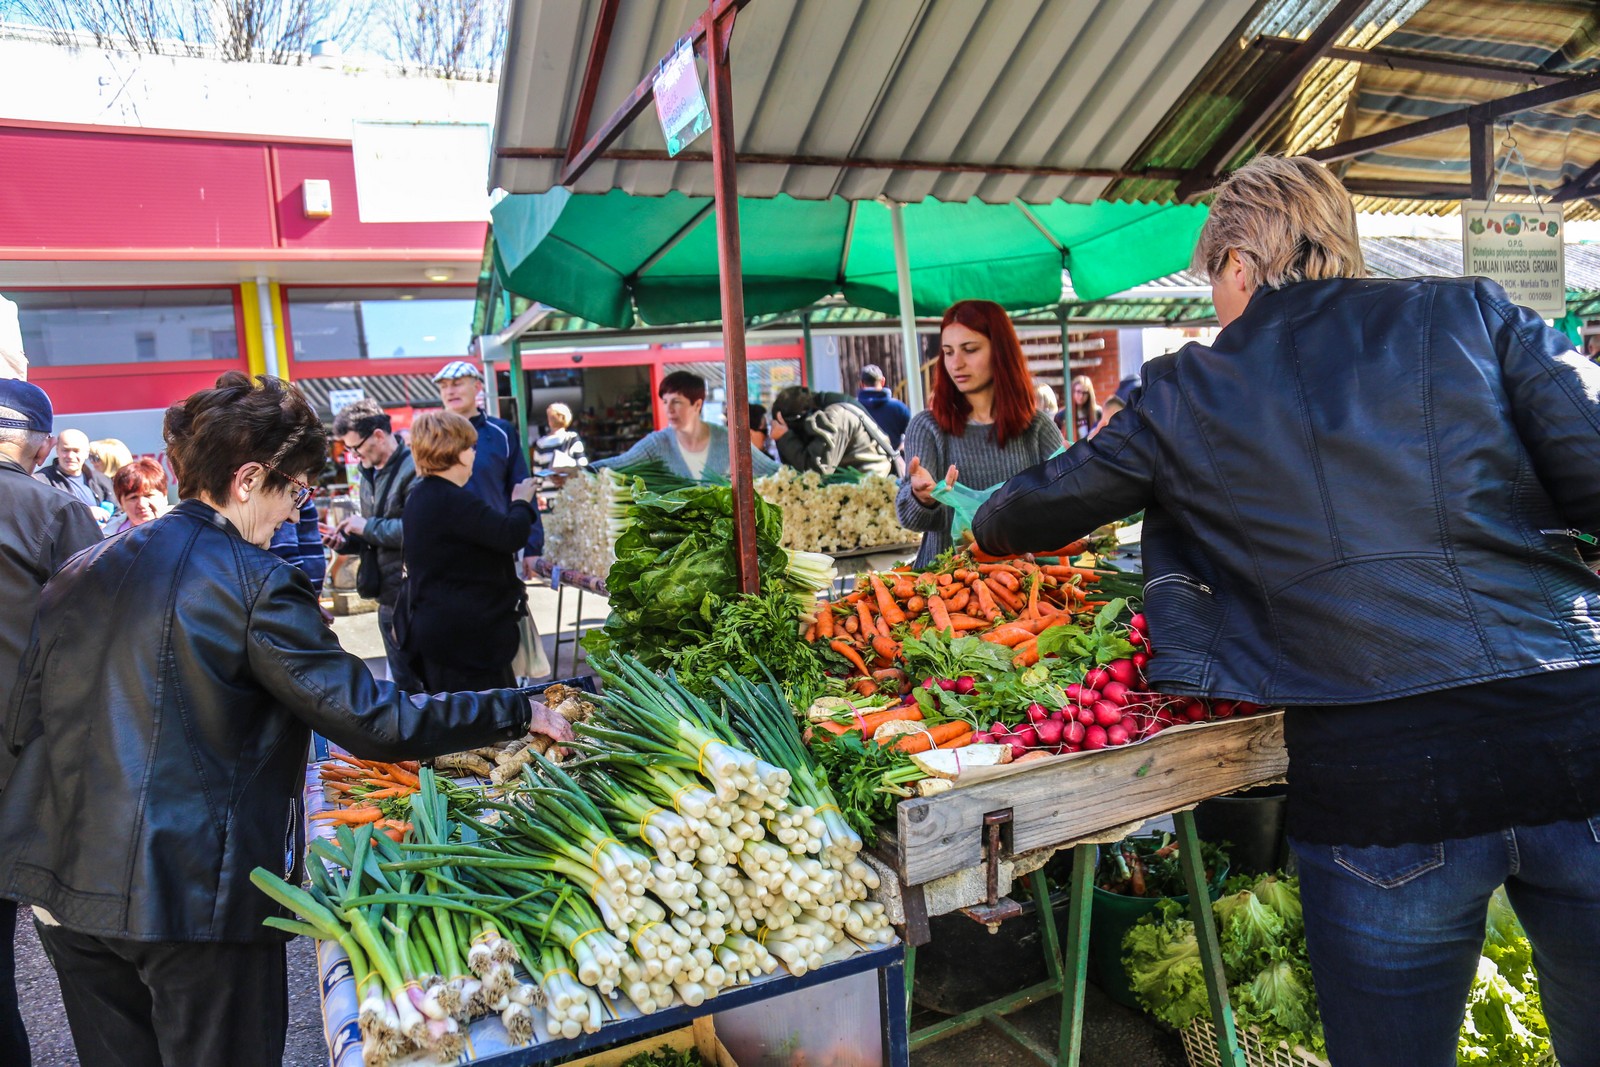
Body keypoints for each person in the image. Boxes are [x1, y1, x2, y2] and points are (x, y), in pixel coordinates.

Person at [971, 154, 1600, 1067]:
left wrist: (976, 519)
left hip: (1384, 784)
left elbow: (1026, 510)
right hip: (1576, 734)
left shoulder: (1188, 388)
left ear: (1236, 262)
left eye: (1210, 278)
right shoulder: (1471, 310)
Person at [0, 372, 543, 1067]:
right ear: (249, 477)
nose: (293, 515)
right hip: (189, 895)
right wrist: (515, 706)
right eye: (293, 492)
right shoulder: (253, 580)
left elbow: (21, 722)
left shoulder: (82, 565)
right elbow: (375, 719)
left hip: (64, 885)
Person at [0, 379, 102, 1067]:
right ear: (39, 445)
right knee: (83, 937)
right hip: (31, 762)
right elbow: (108, 631)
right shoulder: (53, 508)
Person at [896, 300, 1061, 568]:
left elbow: (1063, 512)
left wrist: (1077, 471)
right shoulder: (927, 427)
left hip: (1028, 588)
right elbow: (913, 520)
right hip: (944, 589)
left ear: (1001, 352)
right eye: (948, 352)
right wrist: (921, 497)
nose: (956, 363)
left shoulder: (1038, 428)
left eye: (969, 349)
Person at [399, 410, 540, 692]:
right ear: (457, 452)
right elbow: (510, 535)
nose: (474, 454)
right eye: (471, 447)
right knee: (488, 725)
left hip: (443, 634)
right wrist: (521, 502)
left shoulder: (421, 496)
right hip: (466, 643)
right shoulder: (452, 499)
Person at [328, 399, 419, 688]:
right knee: (405, 686)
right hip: (387, 597)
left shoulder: (414, 468)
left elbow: (419, 530)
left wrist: (366, 526)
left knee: (424, 688)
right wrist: (344, 541)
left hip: (414, 598)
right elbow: (375, 539)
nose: (353, 455)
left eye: (356, 447)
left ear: (379, 435)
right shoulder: (370, 473)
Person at [434, 361, 544, 567]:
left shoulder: (501, 432)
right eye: (443, 386)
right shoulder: (432, 436)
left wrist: (532, 547)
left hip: (495, 544)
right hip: (446, 551)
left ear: (477, 387)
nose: (450, 391)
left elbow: (523, 487)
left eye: (457, 384)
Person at [592, 370, 780, 480]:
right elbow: (618, 465)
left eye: (677, 402)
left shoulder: (727, 440)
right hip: (674, 544)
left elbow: (771, 470)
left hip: (723, 540)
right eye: (665, 402)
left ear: (697, 404)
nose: (669, 409)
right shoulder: (658, 443)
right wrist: (580, 471)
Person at [769, 385, 898, 477]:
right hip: (865, 481)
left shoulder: (834, 417)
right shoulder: (829, 410)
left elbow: (815, 472)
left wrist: (785, 437)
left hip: (869, 488)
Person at [33, 427, 114, 525]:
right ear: (57, 450)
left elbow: (120, 512)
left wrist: (109, 527)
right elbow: (39, 518)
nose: (70, 456)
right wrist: (84, 514)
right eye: (65, 450)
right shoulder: (40, 481)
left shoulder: (102, 480)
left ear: (86, 453)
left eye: (76, 451)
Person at [105, 457, 170, 534]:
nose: (141, 504)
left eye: (148, 495)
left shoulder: (183, 529)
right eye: (133, 497)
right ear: (121, 503)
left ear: (164, 496)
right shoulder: (107, 536)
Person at [855, 363, 911, 451]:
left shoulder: (852, 408)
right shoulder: (899, 407)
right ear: (883, 381)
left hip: (860, 463)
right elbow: (913, 435)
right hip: (893, 461)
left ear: (861, 384)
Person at [532, 402, 589, 473]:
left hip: (554, 483)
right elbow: (582, 464)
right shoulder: (572, 438)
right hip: (568, 483)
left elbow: (537, 471)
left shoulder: (541, 443)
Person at [1065, 375, 1101, 442]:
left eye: (1085, 393)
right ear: (1073, 392)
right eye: (1078, 391)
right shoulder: (1062, 415)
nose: (1081, 396)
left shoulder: (1098, 412)